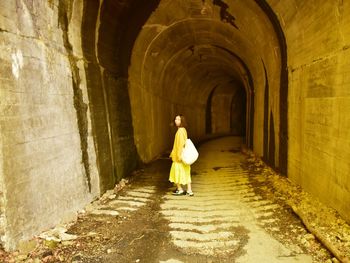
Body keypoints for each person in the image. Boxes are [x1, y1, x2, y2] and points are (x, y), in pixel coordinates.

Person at [169, 115, 194, 196]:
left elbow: (180, 144)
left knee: (176, 172)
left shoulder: (180, 131)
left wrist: (179, 155)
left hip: (179, 156)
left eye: (178, 119)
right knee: (186, 172)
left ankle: (180, 189)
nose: (176, 120)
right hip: (184, 156)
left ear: (182, 121)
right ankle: (189, 190)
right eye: (176, 119)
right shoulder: (183, 130)